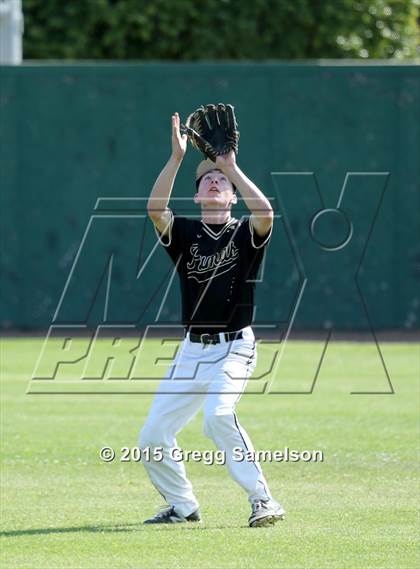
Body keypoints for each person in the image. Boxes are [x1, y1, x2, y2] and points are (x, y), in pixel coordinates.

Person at [139, 112, 285, 527]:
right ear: (198, 195)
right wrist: (177, 158)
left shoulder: (245, 233)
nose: (215, 182)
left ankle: (263, 501)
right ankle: (183, 507)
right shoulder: (184, 234)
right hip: (191, 352)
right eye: (207, 181)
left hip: (234, 347)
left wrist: (232, 167)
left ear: (233, 195)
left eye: (220, 181)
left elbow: (267, 214)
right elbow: (154, 208)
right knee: (151, 438)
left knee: (219, 417)